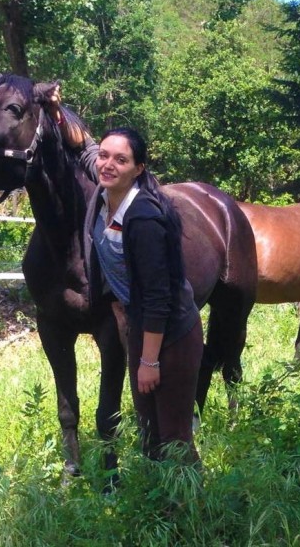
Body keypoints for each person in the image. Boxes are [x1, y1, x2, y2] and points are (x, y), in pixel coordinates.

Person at [63, 118, 203, 464]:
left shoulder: (143, 218)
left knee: (174, 436)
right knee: (149, 430)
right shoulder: (105, 194)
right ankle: (156, 496)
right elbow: (87, 151)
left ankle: (190, 496)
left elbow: (158, 297)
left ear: (138, 169)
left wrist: (149, 361)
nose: (108, 164)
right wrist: (57, 115)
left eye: (120, 159)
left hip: (171, 331)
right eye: (105, 156)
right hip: (141, 325)